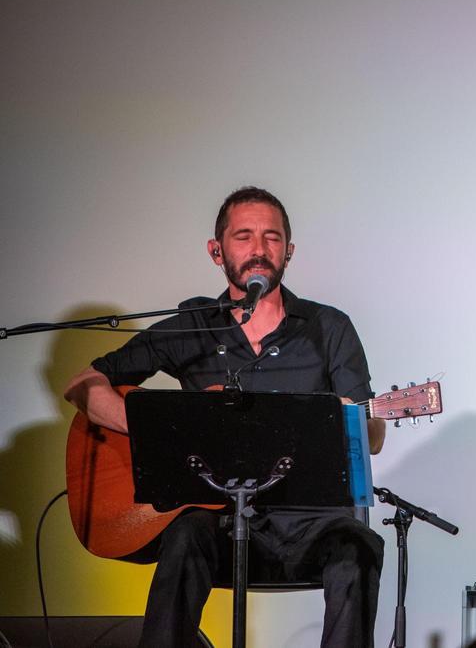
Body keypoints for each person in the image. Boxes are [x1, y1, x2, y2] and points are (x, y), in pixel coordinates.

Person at [63, 187, 387, 647]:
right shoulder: (193, 326)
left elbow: (372, 437)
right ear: (217, 251)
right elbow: (83, 385)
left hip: (306, 527)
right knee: (184, 534)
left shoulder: (329, 329)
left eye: (272, 238)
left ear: (288, 252)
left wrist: (357, 418)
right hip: (217, 524)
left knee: (359, 547)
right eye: (244, 237)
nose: (258, 250)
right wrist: (155, 427)